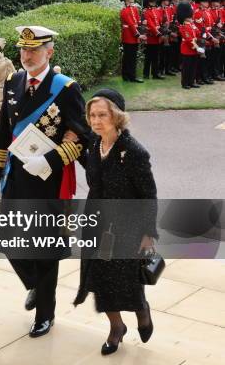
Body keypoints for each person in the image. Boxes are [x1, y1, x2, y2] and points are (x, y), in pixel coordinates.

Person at [0, 25, 91, 338]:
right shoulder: (13, 81)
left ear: (49, 52)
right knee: (10, 243)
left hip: (48, 182)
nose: (26, 55)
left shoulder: (65, 88)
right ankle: (35, 285)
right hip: (16, 179)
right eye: (23, 49)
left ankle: (45, 314)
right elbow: (4, 133)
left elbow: (82, 138)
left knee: (45, 250)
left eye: (33, 50)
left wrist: (47, 160)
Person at [73, 88, 158, 356]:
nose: (96, 120)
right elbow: (96, 172)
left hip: (126, 227)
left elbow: (148, 195)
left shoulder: (134, 152)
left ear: (117, 116)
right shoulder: (94, 143)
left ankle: (141, 310)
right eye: (92, 115)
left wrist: (148, 233)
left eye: (102, 115)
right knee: (99, 278)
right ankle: (116, 327)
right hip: (96, 222)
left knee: (126, 281)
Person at [119, 0, 145, 83]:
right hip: (128, 36)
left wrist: (142, 31)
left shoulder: (134, 9)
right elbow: (130, 24)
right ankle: (128, 75)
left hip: (134, 36)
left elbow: (138, 21)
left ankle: (130, 75)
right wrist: (138, 34)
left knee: (132, 56)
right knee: (128, 57)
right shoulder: (124, 11)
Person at [178, 2, 202, 89]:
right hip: (187, 50)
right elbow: (189, 40)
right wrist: (198, 48)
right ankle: (185, 83)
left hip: (193, 50)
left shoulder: (192, 25)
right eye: (189, 16)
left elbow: (198, 33)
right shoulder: (183, 27)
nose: (190, 18)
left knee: (193, 67)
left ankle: (192, 82)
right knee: (186, 68)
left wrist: (202, 33)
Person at [142, 0, 164, 80]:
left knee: (156, 57)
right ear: (148, 1)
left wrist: (162, 30)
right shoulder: (146, 11)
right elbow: (150, 25)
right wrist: (157, 32)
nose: (153, 2)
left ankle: (155, 73)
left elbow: (160, 21)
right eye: (152, 0)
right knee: (148, 57)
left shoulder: (156, 10)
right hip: (151, 37)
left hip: (156, 37)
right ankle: (146, 74)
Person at [194, 0, 215, 85]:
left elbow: (210, 26)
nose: (208, 3)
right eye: (206, 1)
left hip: (209, 38)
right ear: (201, 1)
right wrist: (211, 37)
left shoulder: (207, 12)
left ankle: (206, 76)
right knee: (201, 60)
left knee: (207, 59)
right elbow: (201, 28)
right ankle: (199, 78)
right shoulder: (198, 13)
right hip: (202, 39)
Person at [157, 0, 176, 77]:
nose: (168, 1)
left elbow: (171, 20)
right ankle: (160, 70)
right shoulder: (158, 9)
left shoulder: (169, 9)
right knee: (162, 53)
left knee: (169, 53)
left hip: (168, 34)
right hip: (162, 34)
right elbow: (159, 23)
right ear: (162, 0)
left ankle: (167, 69)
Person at [169, 0, 182, 73]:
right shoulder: (170, 7)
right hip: (172, 31)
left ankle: (176, 65)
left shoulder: (179, 7)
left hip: (178, 31)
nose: (177, 1)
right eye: (176, 0)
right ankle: (171, 66)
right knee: (171, 51)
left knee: (177, 50)